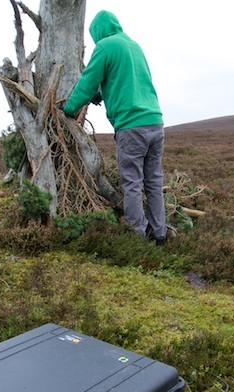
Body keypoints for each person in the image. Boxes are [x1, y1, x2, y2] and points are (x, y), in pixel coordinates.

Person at [63, 10, 167, 245]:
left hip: (131, 126)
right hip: (155, 122)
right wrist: (101, 94)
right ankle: (160, 235)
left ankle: (136, 237)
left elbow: (87, 81)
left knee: (131, 182)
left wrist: (69, 109)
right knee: (153, 181)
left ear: (97, 32)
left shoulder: (105, 47)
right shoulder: (134, 45)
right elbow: (127, 80)